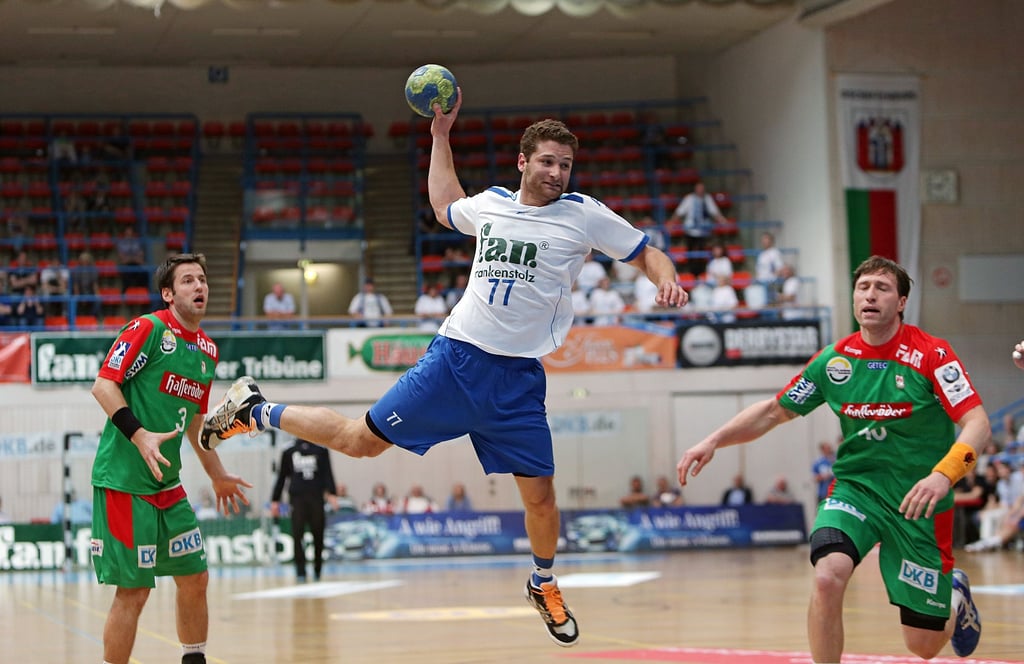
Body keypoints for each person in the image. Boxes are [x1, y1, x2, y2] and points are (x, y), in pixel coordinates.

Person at [200, 94, 687, 649]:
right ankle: (255, 411)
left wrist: (665, 279)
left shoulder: (583, 214)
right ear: (523, 162)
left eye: (566, 164)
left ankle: (543, 581)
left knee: (541, 497)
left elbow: (647, 253)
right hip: (456, 361)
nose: (557, 173)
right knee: (359, 442)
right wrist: (439, 136)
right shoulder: (493, 204)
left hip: (519, 381)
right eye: (548, 161)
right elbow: (445, 204)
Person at [676, 255, 988, 661]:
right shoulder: (835, 361)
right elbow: (774, 411)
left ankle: (955, 597)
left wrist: (943, 476)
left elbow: (978, 424)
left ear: (901, 302)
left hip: (919, 501)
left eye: (882, 288)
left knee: (923, 646)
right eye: (863, 287)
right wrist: (713, 440)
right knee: (827, 576)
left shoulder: (933, 355)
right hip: (857, 491)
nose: (870, 295)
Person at [89, 252, 252, 664]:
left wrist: (217, 475)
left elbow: (195, 423)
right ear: (168, 293)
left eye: (202, 279)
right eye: (188, 280)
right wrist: (139, 435)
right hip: (124, 481)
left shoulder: (207, 350)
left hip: (167, 483)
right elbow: (104, 386)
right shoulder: (148, 328)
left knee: (195, 577)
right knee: (134, 591)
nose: (199, 286)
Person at [270, 437, 338, 582]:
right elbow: (282, 476)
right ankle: (300, 571)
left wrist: (332, 493)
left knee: (318, 534)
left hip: (316, 497)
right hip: (297, 499)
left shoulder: (321, 450)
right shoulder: (289, 451)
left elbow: (328, 473)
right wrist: (275, 499)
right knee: (297, 534)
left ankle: (317, 569)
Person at [666, 180, 727, 275]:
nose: (700, 190)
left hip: (704, 231)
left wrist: (722, 220)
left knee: (702, 253)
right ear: (695, 189)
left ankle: (701, 273)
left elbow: (714, 211)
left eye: (702, 188)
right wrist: (671, 222)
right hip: (690, 231)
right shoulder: (689, 199)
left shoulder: (707, 199)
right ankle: (692, 273)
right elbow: (679, 212)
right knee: (690, 252)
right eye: (699, 188)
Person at [114, 225, 148, 292]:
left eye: (131, 234)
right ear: (125, 234)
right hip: (126, 267)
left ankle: (142, 294)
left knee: (144, 274)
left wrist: (129, 258)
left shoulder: (137, 243)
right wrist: (134, 258)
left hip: (137, 265)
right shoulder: (121, 244)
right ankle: (126, 294)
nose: (129, 236)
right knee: (126, 276)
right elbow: (123, 260)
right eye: (127, 234)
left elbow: (141, 258)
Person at [71, 250, 103, 319]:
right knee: (74, 300)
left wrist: (97, 294)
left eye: (86, 260)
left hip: (90, 292)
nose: (84, 261)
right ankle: (76, 318)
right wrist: (78, 296)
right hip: (80, 292)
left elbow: (95, 284)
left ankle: (92, 317)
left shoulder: (93, 269)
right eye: (83, 260)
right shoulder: (77, 270)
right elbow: (76, 285)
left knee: (98, 300)